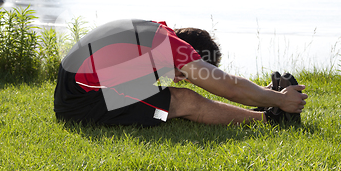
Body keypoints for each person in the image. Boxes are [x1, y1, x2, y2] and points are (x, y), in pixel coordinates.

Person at [54, 19, 308, 127]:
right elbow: (227, 86)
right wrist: (280, 100)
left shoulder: (157, 33)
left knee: (171, 95)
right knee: (184, 101)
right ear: (191, 54)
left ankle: (263, 101)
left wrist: (264, 93)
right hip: (85, 102)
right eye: (189, 71)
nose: (181, 77)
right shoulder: (173, 48)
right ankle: (270, 119)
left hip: (78, 89)